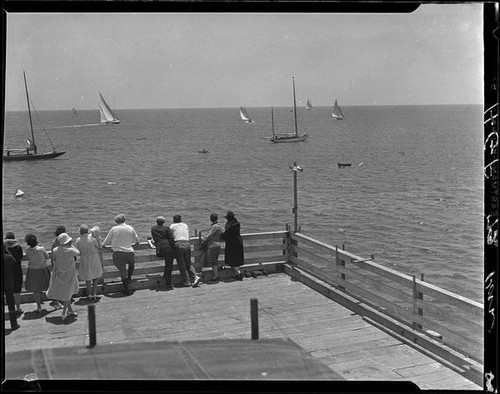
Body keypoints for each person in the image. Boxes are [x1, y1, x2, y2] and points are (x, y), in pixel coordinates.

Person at [102, 214, 139, 295]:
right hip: (129, 251)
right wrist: (135, 243)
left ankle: (126, 289)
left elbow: (108, 239)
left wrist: (103, 245)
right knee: (131, 264)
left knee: (122, 271)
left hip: (118, 252)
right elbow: (136, 239)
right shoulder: (130, 227)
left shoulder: (114, 229)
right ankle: (129, 277)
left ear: (116, 221)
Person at [47, 233, 80, 320]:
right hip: (70, 274)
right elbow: (78, 253)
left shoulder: (55, 250)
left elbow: (54, 259)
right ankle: (64, 312)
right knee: (68, 294)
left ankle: (70, 310)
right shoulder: (70, 250)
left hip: (60, 274)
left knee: (66, 293)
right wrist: (71, 245)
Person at [169, 215, 201, 288]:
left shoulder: (172, 226)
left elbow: (170, 235)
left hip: (178, 244)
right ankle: (195, 276)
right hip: (187, 243)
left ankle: (187, 281)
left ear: (174, 220)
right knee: (188, 262)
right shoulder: (185, 225)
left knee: (181, 263)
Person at [24, 233, 51, 313]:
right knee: (48, 286)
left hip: (32, 271)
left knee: (35, 290)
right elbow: (47, 256)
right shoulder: (41, 248)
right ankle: (55, 301)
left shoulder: (27, 251)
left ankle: (39, 306)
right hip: (42, 269)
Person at [75, 224, 103, 300]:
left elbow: (77, 250)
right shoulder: (92, 239)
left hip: (84, 259)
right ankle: (94, 294)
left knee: (88, 278)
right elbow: (99, 246)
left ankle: (89, 294)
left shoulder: (78, 240)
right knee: (95, 277)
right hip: (94, 258)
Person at [150, 216, 175, 290]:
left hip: (160, 248)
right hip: (167, 247)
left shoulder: (153, 228)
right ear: (163, 222)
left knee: (167, 265)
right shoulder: (166, 228)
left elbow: (155, 238)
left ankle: (165, 275)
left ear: (156, 221)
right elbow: (171, 238)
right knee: (169, 265)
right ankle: (168, 283)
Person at [220, 211, 244, 280]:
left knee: (232, 260)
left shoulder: (229, 226)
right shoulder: (237, 223)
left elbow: (225, 235)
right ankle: (237, 274)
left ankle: (238, 273)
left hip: (232, 244)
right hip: (238, 242)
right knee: (237, 259)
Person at [4, 232, 24, 315]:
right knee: (17, 292)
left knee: (9, 292)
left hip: (7, 273)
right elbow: (21, 257)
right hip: (17, 271)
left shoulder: (4, 249)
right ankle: (18, 308)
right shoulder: (18, 248)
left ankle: (10, 309)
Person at [201, 213, 223, 283]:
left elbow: (209, 236)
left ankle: (216, 276)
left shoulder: (215, 226)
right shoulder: (220, 226)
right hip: (218, 244)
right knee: (214, 260)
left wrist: (203, 238)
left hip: (213, 245)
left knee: (213, 261)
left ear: (211, 219)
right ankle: (218, 267)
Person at [3, 244, 20, 330]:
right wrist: (7, 251)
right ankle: (14, 324)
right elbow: (14, 262)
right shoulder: (8, 257)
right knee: (11, 304)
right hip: (9, 283)